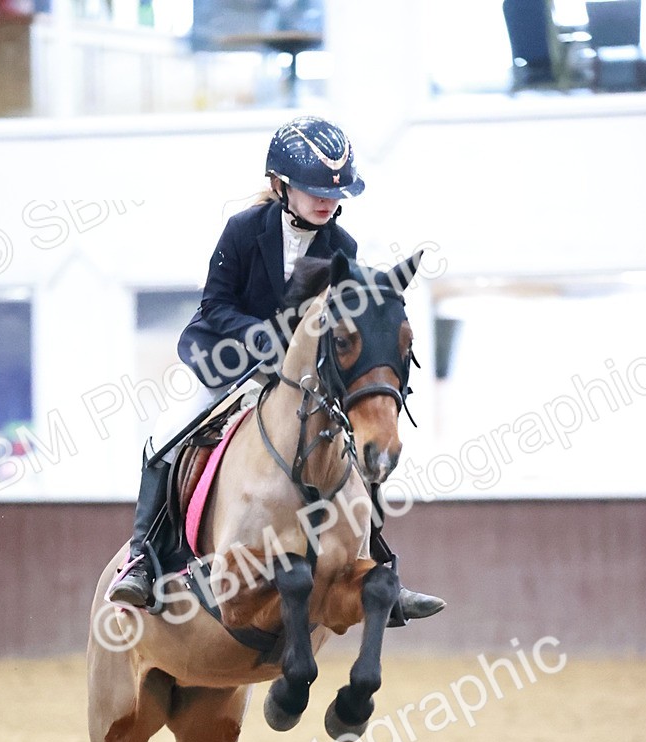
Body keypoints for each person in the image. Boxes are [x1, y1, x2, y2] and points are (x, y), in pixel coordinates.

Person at [107, 116, 444, 623]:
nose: (326, 201)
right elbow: (215, 306)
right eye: (312, 190)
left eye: (335, 192)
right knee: (166, 436)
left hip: (296, 380)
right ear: (280, 185)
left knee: (352, 450)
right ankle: (142, 559)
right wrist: (265, 337)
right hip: (226, 360)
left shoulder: (342, 249)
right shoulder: (244, 230)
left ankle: (380, 567)